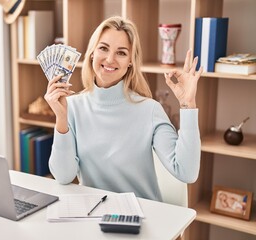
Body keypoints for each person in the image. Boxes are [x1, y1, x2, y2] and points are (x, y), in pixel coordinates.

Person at [44, 16, 203, 201]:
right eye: (103, 48)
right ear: (92, 53)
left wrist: (188, 104)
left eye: (121, 52)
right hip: (94, 216)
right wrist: (61, 120)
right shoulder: (72, 106)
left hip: (143, 218)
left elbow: (186, 172)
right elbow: (63, 177)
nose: (110, 59)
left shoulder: (150, 110)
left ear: (130, 62)